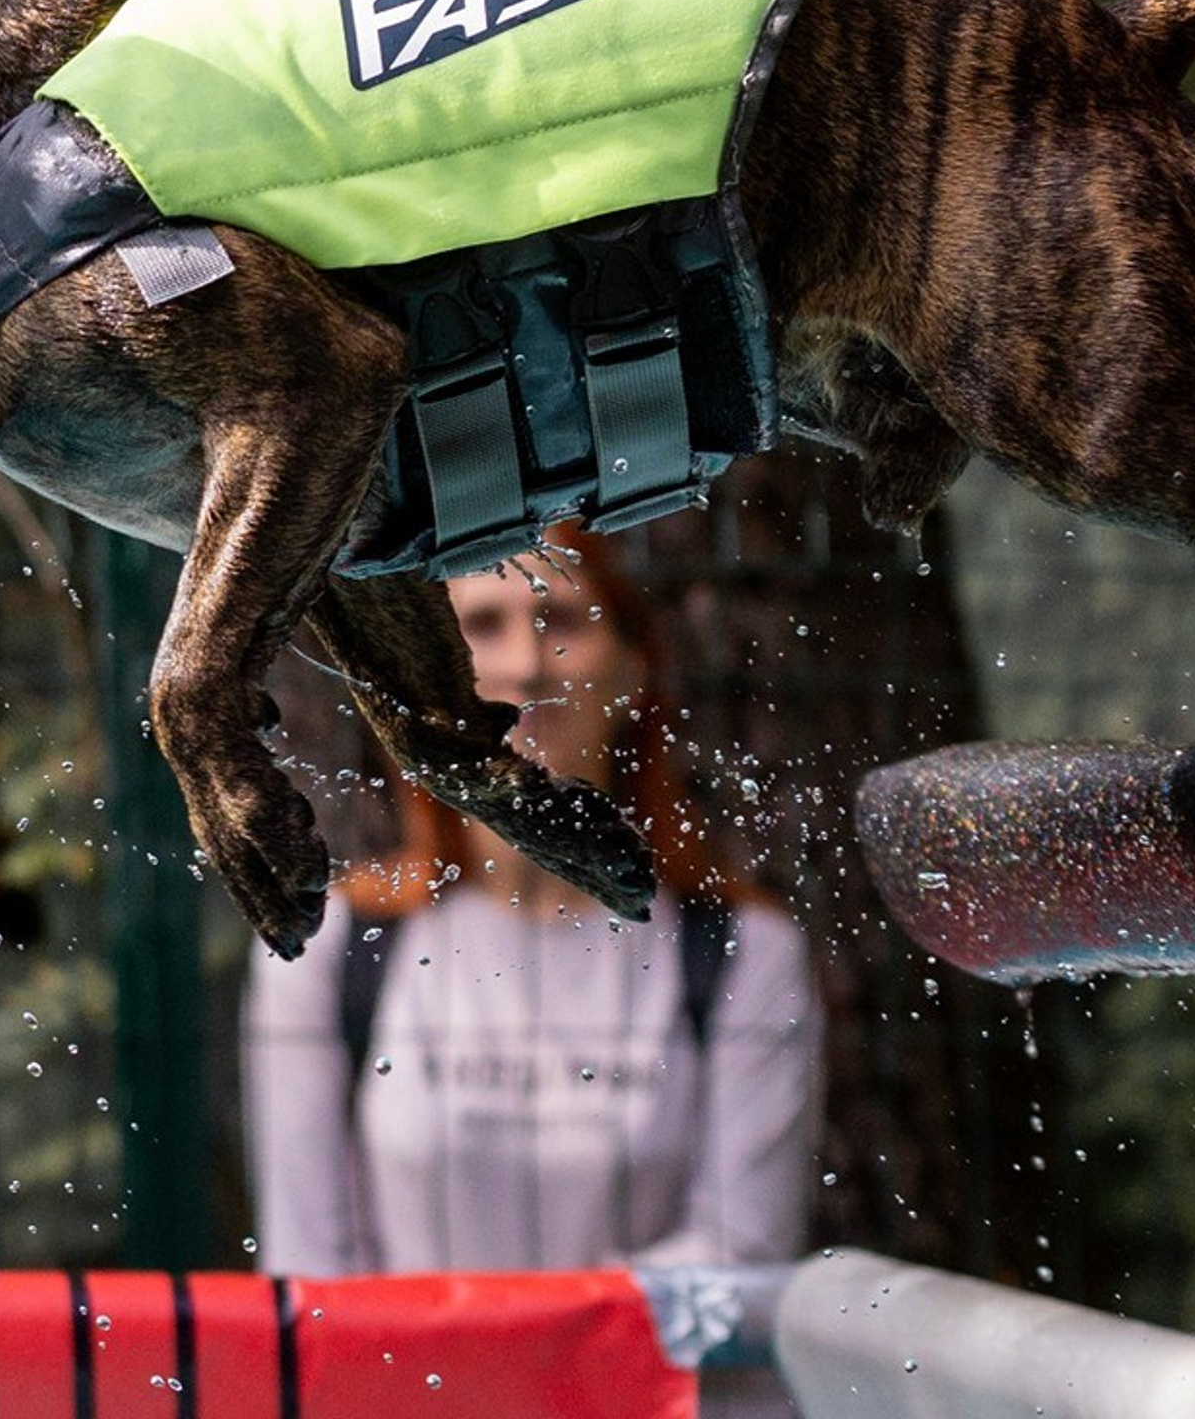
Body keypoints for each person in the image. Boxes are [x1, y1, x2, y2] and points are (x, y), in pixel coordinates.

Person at [243, 529, 820, 1395]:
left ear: (632, 672)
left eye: (559, 621)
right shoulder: (330, 952)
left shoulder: (742, 955)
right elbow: (309, 1279)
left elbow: (741, 1266)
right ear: (422, 677)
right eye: (481, 625)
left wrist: (504, 1347)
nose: (528, 665)